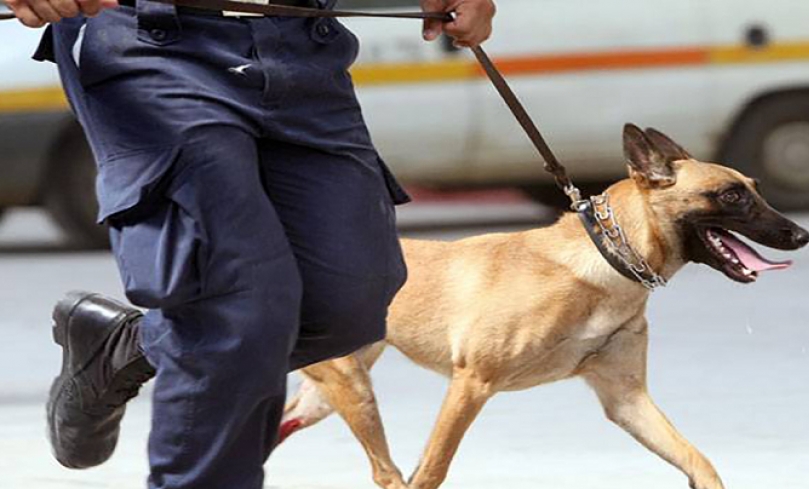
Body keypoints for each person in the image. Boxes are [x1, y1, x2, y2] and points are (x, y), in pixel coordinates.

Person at [7, 0, 496, 487]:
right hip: (147, 42)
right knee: (236, 310)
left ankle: (126, 349)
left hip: (300, 37)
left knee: (348, 300)